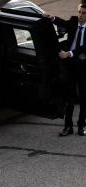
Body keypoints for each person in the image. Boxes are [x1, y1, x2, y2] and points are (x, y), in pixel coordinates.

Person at [43, 4, 86, 136]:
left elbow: (84, 47)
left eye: (83, 13)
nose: (80, 15)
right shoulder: (74, 21)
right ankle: (68, 126)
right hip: (71, 65)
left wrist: (69, 53)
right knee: (69, 96)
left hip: (84, 66)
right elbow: (64, 23)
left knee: (84, 97)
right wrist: (52, 18)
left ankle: (81, 126)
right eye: (79, 12)